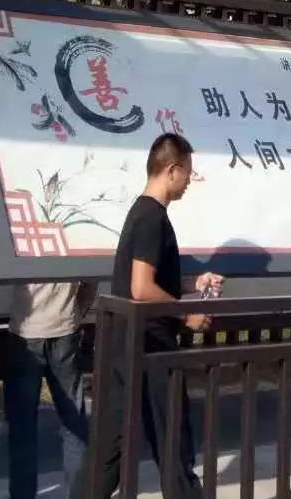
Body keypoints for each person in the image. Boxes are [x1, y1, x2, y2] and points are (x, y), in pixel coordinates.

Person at [70, 133, 223, 499]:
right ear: (172, 170)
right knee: (173, 443)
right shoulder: (152, 217)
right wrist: (186, 316)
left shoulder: (141, 213)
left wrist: (194, 282)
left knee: (109, 450)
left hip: (123, 342)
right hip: (150, 345)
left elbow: (148, 279)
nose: (189, 181)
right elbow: (141, 288)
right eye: (187, 172)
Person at [4, 280, 95, 498]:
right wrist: (76, 313)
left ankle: (22, 494)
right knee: (73, 422)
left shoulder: (18, 252)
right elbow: (90, 282)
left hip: (25, 332)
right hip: (64, 328)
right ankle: (77, 493)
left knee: (22, 426)